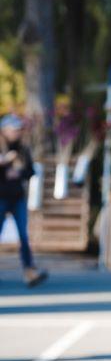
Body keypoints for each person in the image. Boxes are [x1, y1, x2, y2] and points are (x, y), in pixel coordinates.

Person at [0, 114, 47, 287]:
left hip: (18, 197)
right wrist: (4, 163)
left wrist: (19, 173)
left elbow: (31, 171)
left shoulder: (22, 149)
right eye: (13, 130)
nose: (16, 133)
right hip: (1, 196)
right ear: (4, 130)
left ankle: (29, 271)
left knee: (23, 236)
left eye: (18, 130)